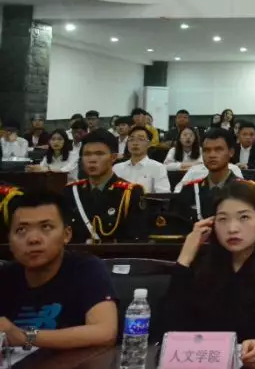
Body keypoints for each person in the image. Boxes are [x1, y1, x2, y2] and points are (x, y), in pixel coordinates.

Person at [161, 183, 255, 367]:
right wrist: (185, 258)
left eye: (244, 217)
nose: (232, 228)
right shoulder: (203, 263)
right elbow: (170, 327)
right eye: (222, 219)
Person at [0, 190, 117, 349]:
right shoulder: (5, 275)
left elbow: (105, 333)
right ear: (9, 240)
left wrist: (25, 337)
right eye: (21, 230)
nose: (33, 239)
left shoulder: (86, 269)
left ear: (66, 235)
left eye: (46, 227)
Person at [64, 130, 147, 242]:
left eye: (99, 154)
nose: (92, 160)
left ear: (113, 157)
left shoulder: (130, 193)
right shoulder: (72, 191)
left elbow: (136, 239)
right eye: (87, 154)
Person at [172, 129, 246, 223]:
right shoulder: (189, 190)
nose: (212, 155)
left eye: (218, 149)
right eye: (206, 150)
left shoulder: (245, 191)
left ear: (231, 152)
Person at [112, 125, 171, 193]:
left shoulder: (158, 167)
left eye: (141, 139)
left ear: (149, 144)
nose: (135, 143)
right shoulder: (117, 168)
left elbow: (163, 195)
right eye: (131, 139)